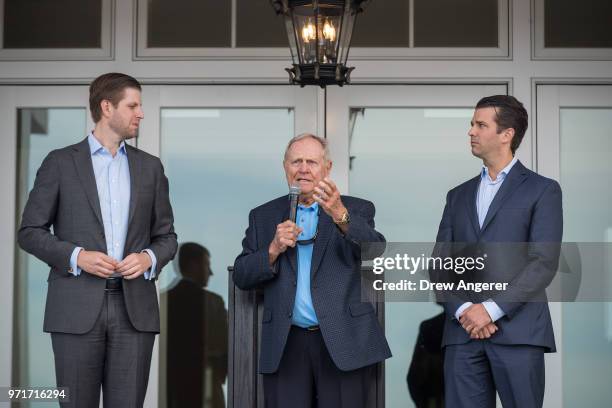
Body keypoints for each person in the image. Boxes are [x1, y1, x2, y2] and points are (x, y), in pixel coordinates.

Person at [18, 72, 178, 408]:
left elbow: (167, 237)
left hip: (134, 312)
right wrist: (77, 256)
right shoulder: (60, 163)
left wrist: (149, 257)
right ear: (107, 107)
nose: (141, 113)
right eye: (132, 105)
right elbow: (30, 232)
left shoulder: (150, 168)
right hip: (74, 309)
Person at [233, 133, 391, 408]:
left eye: (311, 162)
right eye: (296, 161)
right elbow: (242, 275)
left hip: (344, 340)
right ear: (285, 167)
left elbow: (375, 252)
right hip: (286, 344)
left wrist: (341, 216)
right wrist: (272, 249)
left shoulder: (355, 208)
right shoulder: (263, 216)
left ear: (327, 168)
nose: (303, 168)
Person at [433, 95, 562, 408]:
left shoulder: (543, 190)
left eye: (481, 125)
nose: (471, 132)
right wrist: (465, 310)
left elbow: (543, 262)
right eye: (472, 124)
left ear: (507, 134)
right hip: (462, 335)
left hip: (519, 333)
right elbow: (439, 265)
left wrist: (489, 310)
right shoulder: (457, 196)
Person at [165, 242, 227, 408]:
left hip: (170, 391)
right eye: (207, 264)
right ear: (193, 265)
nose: (211, 272)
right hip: (205, 388)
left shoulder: (164, 301)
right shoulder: (213, 303)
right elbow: (223, 346)